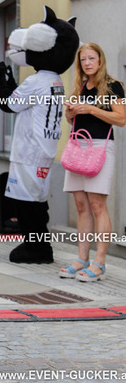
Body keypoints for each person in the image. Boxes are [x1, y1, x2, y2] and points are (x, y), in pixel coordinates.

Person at [60, 43, 125, 281]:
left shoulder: (113, 85)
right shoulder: (80, 85)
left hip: (100, 147)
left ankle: (100, 263)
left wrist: (90, 109)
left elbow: (121, 118)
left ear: (100, 59)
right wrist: (70, 113)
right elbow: (73, 120)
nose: (87, 63)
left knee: (98, 205)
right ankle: (82, 259)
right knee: (81, 205)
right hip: (78, 146)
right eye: (83, 59)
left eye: (91, 58)